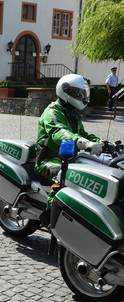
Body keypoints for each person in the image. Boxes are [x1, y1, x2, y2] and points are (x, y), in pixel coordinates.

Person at [35, 74, 102, 212]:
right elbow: (60, 133)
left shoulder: (72, 113)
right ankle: (53, 218)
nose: (82, 97)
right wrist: (83, 143)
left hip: (68, 159)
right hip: (47, 159)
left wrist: (102, 143)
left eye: (83, 93)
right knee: (65, 177)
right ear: (65, 91)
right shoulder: (52, 112)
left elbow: (83, 134)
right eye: (78, 93)